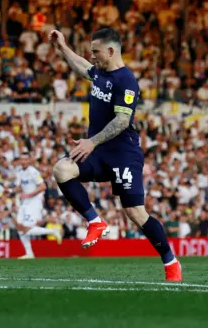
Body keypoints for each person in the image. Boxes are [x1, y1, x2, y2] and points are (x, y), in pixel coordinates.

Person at [49, 28, 182, 282]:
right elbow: (83, 68)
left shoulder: (126, 81)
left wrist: (91, 142)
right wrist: (63, 47)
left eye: (96, 52)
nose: (93, 56)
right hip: (98, 151)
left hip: (123, 154)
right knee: (61, 169)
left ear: (111, 51)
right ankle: (95, 222)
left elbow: (122, 121)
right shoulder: (99, 72)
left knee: (135, 213)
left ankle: (170, 262)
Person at [12, 154, 61, 259]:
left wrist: (29, 194)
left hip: (34, 202)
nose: (24, 161)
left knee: (27, 228)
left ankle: (54, 231)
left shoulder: (33, 172)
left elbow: (43, 186)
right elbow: (21, 186)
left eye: (26, 159)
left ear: (29, 160)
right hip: (25, 201)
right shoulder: (20, 172)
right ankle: (29, 253)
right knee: (19, 226)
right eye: (22, 159)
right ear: (20, 160)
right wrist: (13, 190)